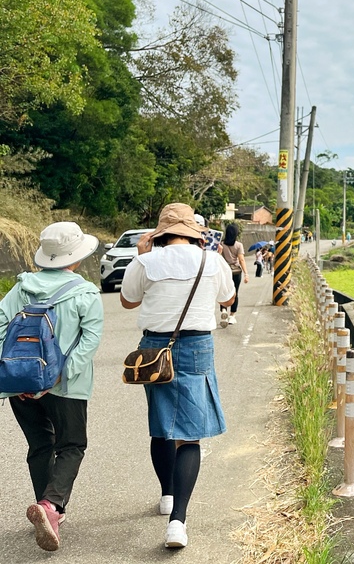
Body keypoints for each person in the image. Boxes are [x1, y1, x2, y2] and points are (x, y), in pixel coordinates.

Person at [119, 203, 235, 549]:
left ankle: (167, 494)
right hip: (197, 346)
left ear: (160, 233)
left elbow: (127, 301)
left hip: (154, 350)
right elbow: (228, 298)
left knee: (162, 422)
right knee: (190, 435)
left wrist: (141, 255)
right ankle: (177, 522)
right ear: (194, 233)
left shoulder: (144, 261)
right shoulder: (211, 260)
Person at [0, 222, 103, 552]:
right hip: (66, 387)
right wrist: (61, 373)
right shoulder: (85, 293)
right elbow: (90, 339)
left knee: (41, 444)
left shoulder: (20, 289)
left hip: (21, 383)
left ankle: (49, 509)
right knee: (72, 444)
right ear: (75, 258)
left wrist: (16, 369)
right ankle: (51, 506)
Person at [217, 224, 248, 327]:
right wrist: (246, 274)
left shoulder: (221, 244)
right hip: (236, 272)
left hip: (224, 271)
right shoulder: (238, 245)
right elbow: (241, 259)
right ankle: (232, 316)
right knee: (235, 293)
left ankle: (223, 310)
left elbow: (219, 257)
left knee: (224, 291)